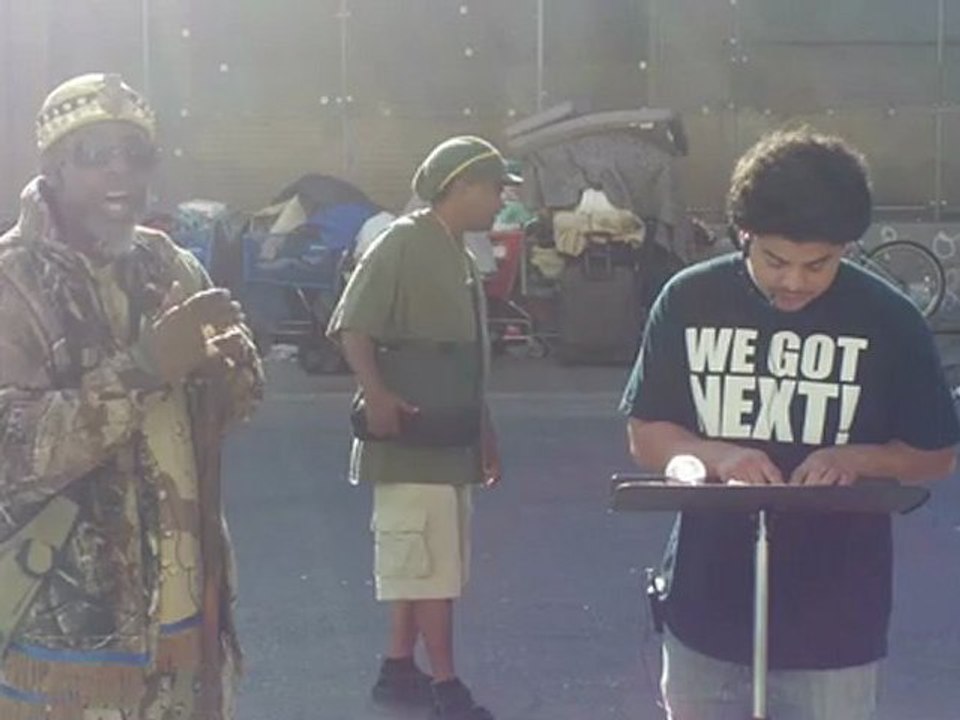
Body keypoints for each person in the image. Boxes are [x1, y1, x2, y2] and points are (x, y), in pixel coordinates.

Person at [621, 128, 959, 720]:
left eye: (818, 264)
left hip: (836, 621)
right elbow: (647, 434)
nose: (795, 281)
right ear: (743, 233)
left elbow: (935, 456)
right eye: (775, 261)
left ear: (848, 247)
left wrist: (858, 458)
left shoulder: (891, 320)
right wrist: (717, 455)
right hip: (706, 608)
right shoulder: (688, 300)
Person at [0, 73, 263, 719]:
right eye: (93, 153)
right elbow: (12, 456)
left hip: (185, 624)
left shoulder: (169, 263)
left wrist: (231, 375)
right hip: (64, 643)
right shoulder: (14, 279)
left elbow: (231, 412)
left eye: (135, 152)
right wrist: (142, 370)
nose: (120, 171)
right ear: (54, 167)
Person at [328, 136, 518, 720]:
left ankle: (397, 667)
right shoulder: (403, 242)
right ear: (459, 187)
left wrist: (483, 431)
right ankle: (446, 685)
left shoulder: (458, 253)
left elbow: (467, 360)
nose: (500, 203)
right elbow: (351, 324)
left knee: (425, 561)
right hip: (411, 441)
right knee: (431, 566)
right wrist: (378, 392)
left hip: (449, 439)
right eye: (494, 190)